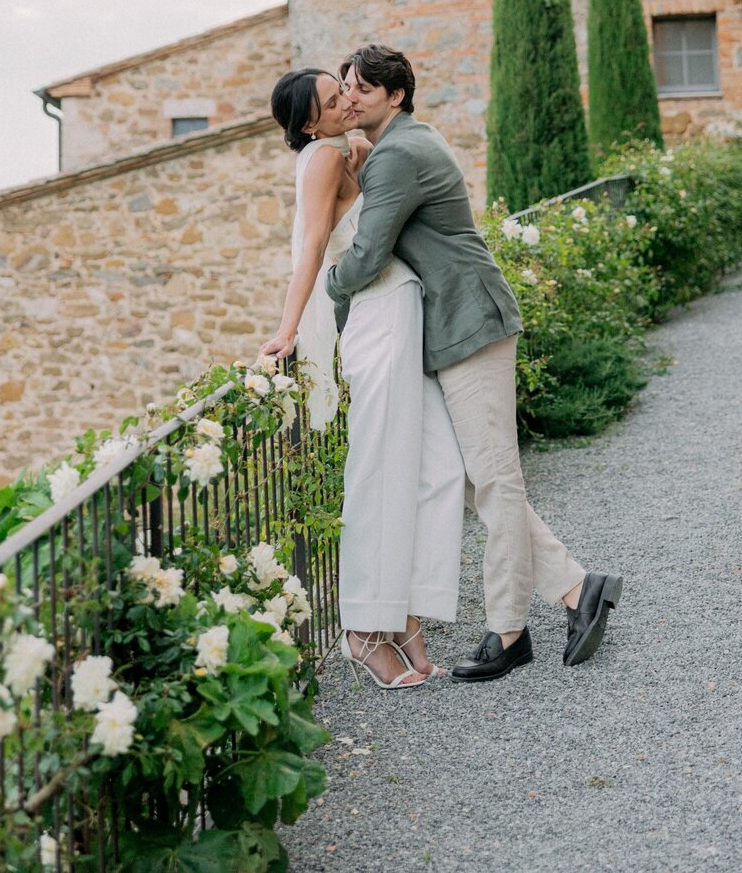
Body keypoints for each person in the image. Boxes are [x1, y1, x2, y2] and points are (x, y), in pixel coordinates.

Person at [325, 44, 622, 683]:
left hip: (470, 324)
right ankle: (577, 589)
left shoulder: (398, 155)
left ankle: (508, 630)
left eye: (362, 90)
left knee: (493, 478)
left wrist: (328, 288)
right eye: (344, 88)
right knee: (469, 476)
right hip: (457, 326)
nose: (350, 98)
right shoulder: (401, 144)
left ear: (395, 96)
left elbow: (369, 252)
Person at [262, 67, 465, 690]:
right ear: (307, 123)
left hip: (399, 307)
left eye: (344, 90)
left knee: (440, 467)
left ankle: (407, 614)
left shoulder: (344, 150)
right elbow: (315, 247)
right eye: (332, 101)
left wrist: (360, 151)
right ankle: (364, 630)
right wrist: (286, 328)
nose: (346, 102)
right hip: (377, 316)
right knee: (377, 469)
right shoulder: (324, 158)